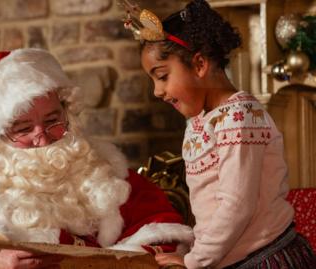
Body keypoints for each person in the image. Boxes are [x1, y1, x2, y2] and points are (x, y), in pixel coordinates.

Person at [0, 48, 194, 269]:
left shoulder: (101, 168)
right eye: (24, 129)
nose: (43, 137)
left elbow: (159, 225)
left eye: (53, 120)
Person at [122, 0, 316, 268]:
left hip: (265, 259)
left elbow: (236, 206)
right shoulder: (200, 120)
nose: (157, 91)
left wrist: (194, 262)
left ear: (199, 64)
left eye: (163, 76)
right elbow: (209, 207)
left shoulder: (240, 116)